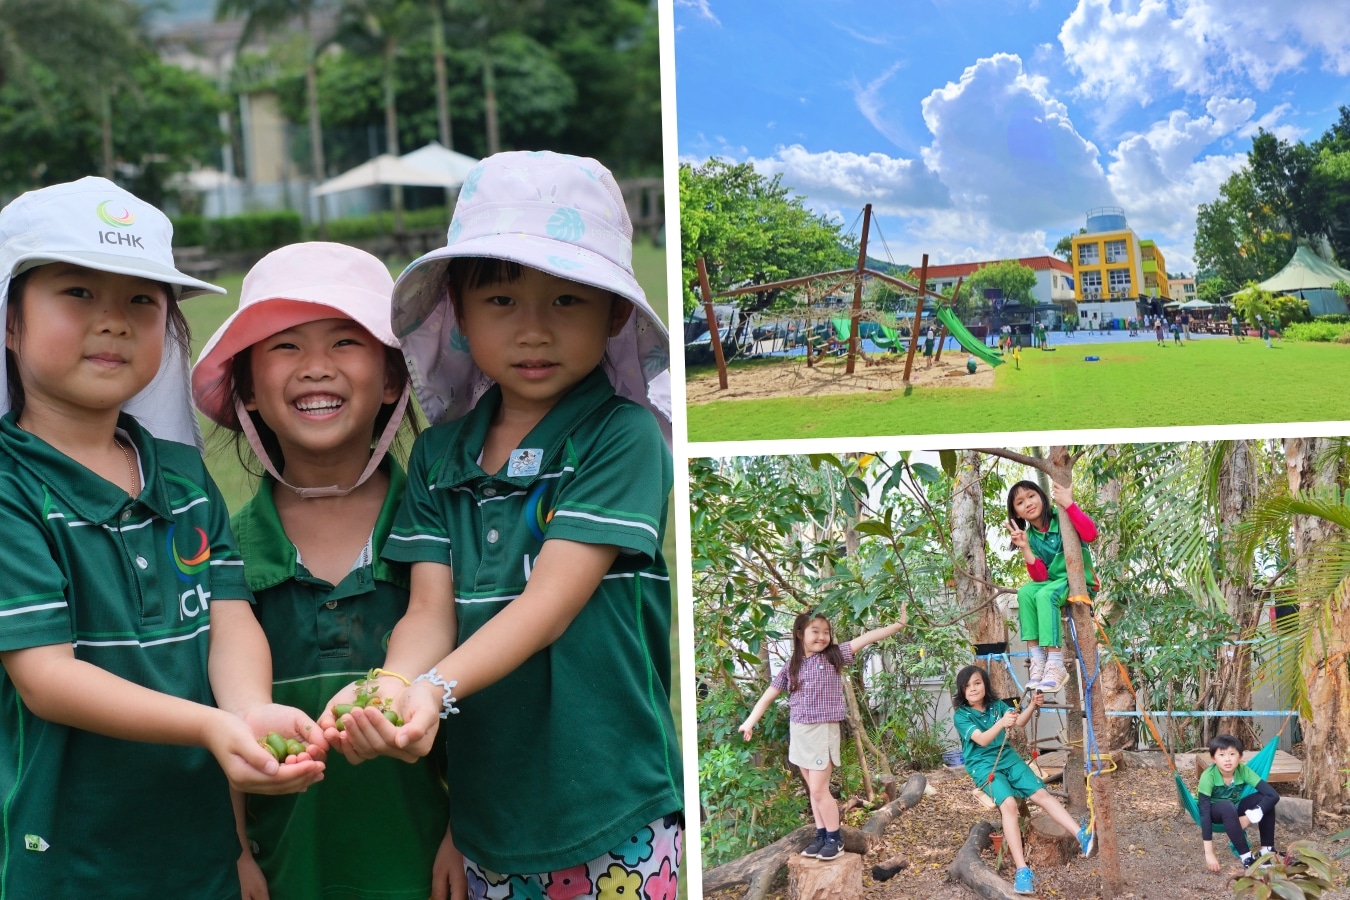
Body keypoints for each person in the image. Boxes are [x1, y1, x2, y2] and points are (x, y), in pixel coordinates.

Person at [317, 152, 682, 897]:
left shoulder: (621, 437)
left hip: (614, 807)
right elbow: (430, 612)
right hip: (489, 815)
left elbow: (548, 604)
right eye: (503, 300)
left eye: (567, 301)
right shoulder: (439, 455)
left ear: (616, 314)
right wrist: (390, 687)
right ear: (459, 308)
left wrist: (433, 690)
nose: (534, 331)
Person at [0, 177, 325, 899]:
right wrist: (211, 727)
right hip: (64, 862)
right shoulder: (10, 485)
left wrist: (248, 710)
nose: (113, 321)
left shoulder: (181, 474)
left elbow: (228, 620)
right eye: (78, 292)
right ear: (10, 322)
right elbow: (46, 678)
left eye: (142, 301)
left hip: (197, 854)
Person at [191, 242, 464, 900]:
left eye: (345, 341)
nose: (316, 367)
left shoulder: (443, 532)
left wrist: (465, 833)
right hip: (286, 872)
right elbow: (217, 718)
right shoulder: (225, 551)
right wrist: (235, 851)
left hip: (429, 868)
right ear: (247, 388)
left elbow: (487, 707)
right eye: (285, 346)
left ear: (393, 378)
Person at [739, 608, 907, 860]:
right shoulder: (791, 666)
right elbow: (768, 696)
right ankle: (821, 836)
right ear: (800, 634)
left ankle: (835, 839)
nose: (821, 636)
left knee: (819, 790)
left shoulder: (833, 656)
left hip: (822, 731)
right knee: (813, 790)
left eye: (826, 632)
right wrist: (749, 722)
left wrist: (898, 624)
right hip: (799, 731)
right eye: (815, 631)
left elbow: (867, 637)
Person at [954, 665, 1092, 894]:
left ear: (985, 684)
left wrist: (1032, 706)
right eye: (967, 686)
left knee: (1042, 794)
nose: (973, 689)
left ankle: (1081, 836)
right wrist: (1001, 723)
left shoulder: (997, 706)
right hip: (983, 765)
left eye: (977, 683)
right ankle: (1022, 870)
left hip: (1007, 758)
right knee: (1009, 805)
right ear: (962, 690)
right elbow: (983, 740)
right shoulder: (961, 715)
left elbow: (1019, 722)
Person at [1007, 480, 1099, 693]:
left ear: (1041, 496)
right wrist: (1025, 547)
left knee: (1045, 595)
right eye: (1020, 502)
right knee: (1025, 592)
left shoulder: (1063, 517)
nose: (1028, 503)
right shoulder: (1030, 536)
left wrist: (1069, 504)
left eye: (1031, 496)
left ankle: (1055, 663)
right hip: (1053, 583)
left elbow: (1091, 535)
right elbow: (1040, 577)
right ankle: (1038, 660)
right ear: (1017, 513)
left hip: (1079, 582)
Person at [1197, 733, 1280, 872]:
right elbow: (1204, 815)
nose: (1227, 759)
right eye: (1221, 755)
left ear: (1240, 757)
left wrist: (1251, 816)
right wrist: (1209, 853)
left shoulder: (1243, 770)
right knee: (1226, 806)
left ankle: (1266, 850)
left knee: (1264, 800)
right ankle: (1247, 857)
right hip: (1213, 811)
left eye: (1232, 754)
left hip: (1234, 809)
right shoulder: (1208, 776)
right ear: (1213, 758)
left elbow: (1273, 795)